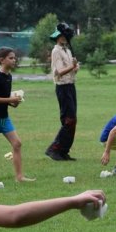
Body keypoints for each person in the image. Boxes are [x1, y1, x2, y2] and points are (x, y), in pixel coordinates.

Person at [0, 47, 35, 182]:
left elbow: (4, 98)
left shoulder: (8, 77)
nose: (14, 60)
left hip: (4, 118)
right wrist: (10, 99)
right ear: (1, 60)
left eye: (14, 58)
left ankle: (19, 177)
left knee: (17, 144)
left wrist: (14, 102)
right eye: (11, 58)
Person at [45, 25, 79, 161]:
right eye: (62, 36)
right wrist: (72, 66)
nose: (64, 38)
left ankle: (64, 151)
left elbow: (72, 70)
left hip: (71, 86)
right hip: (62, 88)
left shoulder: (68, 51)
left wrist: (75, 67)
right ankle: (54, 149)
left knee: (72, 120)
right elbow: (59, 71)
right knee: (68, 119)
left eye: (65, 36)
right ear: (57, 37)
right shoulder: (56, 51)